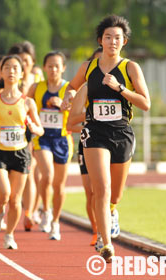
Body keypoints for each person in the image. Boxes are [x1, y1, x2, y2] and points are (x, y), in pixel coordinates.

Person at [65, 15, 151, 262]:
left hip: (121, 132)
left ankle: (113, 211)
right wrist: (69, 96)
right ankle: (106, 242)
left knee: (115, 195)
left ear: (124, 42)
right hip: (95, 132)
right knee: (100, 189)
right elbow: (71, 87)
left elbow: (145, 103)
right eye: (108, 37)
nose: (112, 41)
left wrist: (120, 88)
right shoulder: (88, 67)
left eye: (117, 38)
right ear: (100, 41)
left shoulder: (130, 68)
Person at [0, 55, 44, 249]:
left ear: (22, 73)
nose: (11, 71)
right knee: (4, 193)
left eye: (16, 68)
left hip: (21, 153)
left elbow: (40, 130)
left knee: (15, 200)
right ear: (1, 72)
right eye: (7, 67)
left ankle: (10, 235)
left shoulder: (28, 103)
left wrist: (33, 126)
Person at [27, 51, 72, 240]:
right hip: (42, 138)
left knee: (59, 185)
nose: (53, 69)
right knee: (47, 174)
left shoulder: (69, 89)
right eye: (50, 66)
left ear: (63, 68)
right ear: (44, 67)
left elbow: (79, 110)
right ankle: (45, 211)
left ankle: (55, 222)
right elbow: (26, 109)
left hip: (62, 139)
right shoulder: (36, 88)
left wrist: (64, 104)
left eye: (57, 66)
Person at [67, 47, 103, 246]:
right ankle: (97, 230)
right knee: (91, 192)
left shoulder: (117, 85)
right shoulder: (85, 89)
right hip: (88, 143)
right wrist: (91, 115)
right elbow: (70, 125)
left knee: (106, 191)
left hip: (111, 141)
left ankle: (108, 218)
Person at [8, 41, 43, 230]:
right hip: (15, 128)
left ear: (32, 61)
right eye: (20, 60)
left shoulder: (37, 76)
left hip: (34, 126)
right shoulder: (13, 76)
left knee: (33, 172)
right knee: (25, 172)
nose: (23, 63)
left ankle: (31, 211)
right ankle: (21, 206)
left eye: (26, 60)